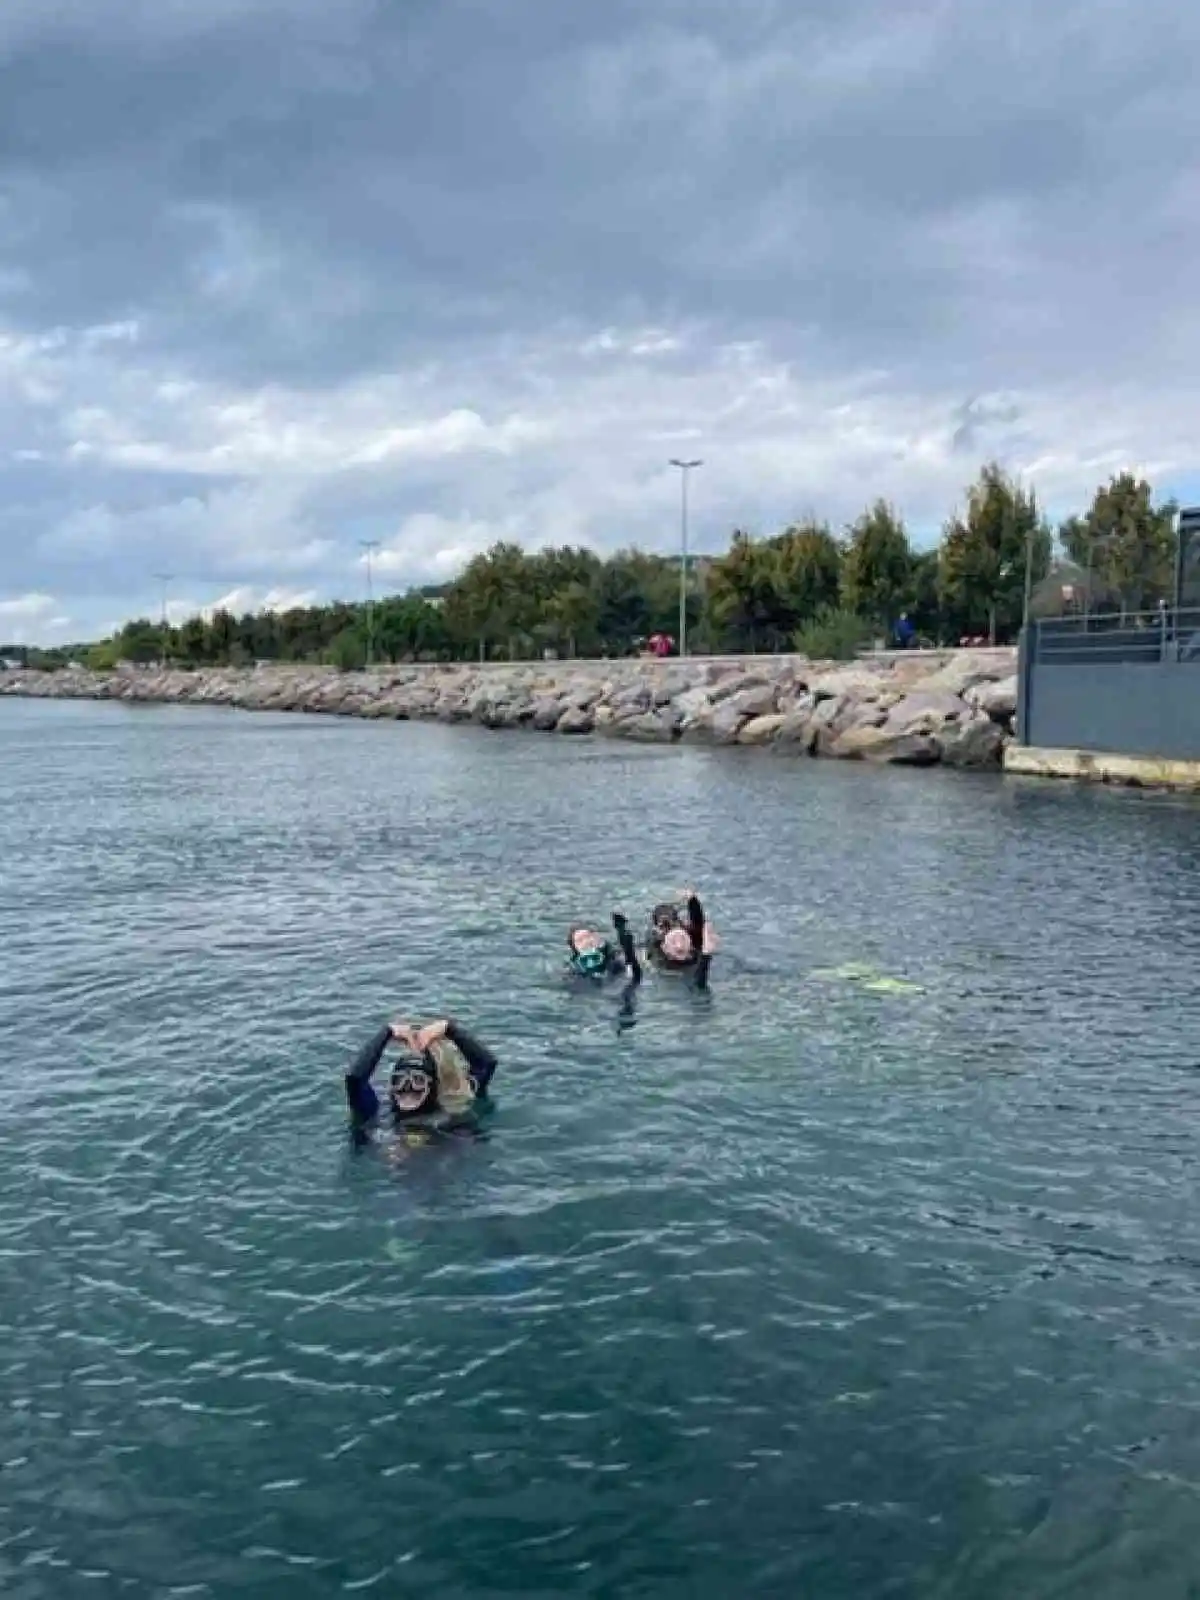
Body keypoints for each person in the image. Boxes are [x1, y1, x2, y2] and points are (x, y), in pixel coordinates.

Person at [344, 1014, 498, 1133]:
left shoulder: (455, 1100)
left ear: (433, 1085)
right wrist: (387, 1032)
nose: (408, 1088)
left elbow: (487, 1064)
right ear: (392, 1085)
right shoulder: (380, 1110)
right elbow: (354, 1078)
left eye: (418, 1080)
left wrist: (449, 1028)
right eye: (400, 1080)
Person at [645, 890, 717, 989]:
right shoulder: (656, 943)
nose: (669, 929)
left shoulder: (689, 934)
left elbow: (698, 922)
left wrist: (692, 900)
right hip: (673, 978)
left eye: (671, 924)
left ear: (679, 922)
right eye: (663, 926)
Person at [566, 911, 641, 983]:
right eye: (580, 940)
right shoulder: (573, 970)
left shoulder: (613, 956)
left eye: (588, 936)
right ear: (575, 948)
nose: (586, 942)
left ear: (596, 937)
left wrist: (628, 951)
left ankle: (623, 935)